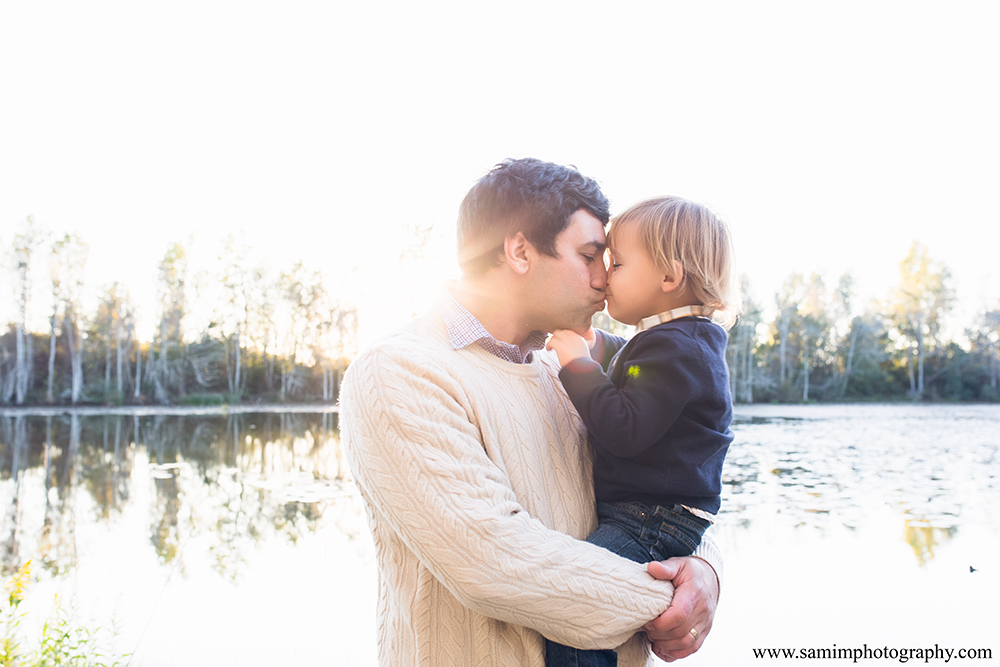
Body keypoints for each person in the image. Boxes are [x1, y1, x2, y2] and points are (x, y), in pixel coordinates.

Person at [340, 158, 723, 667]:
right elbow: (495, 562)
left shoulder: (569, 369)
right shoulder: (400, 371)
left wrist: (705, 570)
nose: (603, 280)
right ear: (519, 250)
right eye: (590, 255)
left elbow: (668, 493)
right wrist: (670, 600)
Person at [543, 196, 740, 667]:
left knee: (578, 608)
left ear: (669, 278)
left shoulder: (679, 351)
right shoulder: (678, 342)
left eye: (618, 263)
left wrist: (576, 366)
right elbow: (633, 362)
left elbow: (625, 428)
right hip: (654, 514)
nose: (605, 275)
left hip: (649, 520)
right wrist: (598, 346)